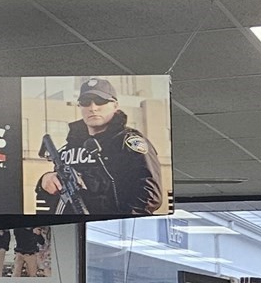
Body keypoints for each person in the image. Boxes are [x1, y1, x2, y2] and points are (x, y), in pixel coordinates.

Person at [36, 77, 166, 218]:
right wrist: (45, 180)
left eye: (100, 101)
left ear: (115, 105)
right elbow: (55, 190)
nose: (93, 108)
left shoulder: (128, 141)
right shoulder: (71, 145)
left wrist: (118, 223)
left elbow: (150, 194)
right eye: (86, 102)